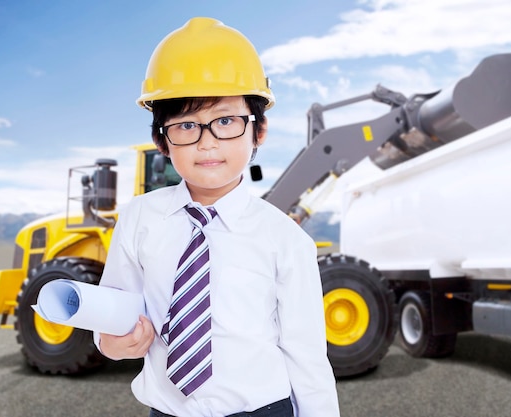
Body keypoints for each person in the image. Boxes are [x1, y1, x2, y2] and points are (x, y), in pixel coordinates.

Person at [95, 17, 341, 417]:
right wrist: (108, 342)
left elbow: (307, 357)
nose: (206, 142)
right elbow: (114, 309)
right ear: (162, 139)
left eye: (225, 121)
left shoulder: (285, 239)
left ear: (258, 130)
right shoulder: (139, 218)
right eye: (187, 124)